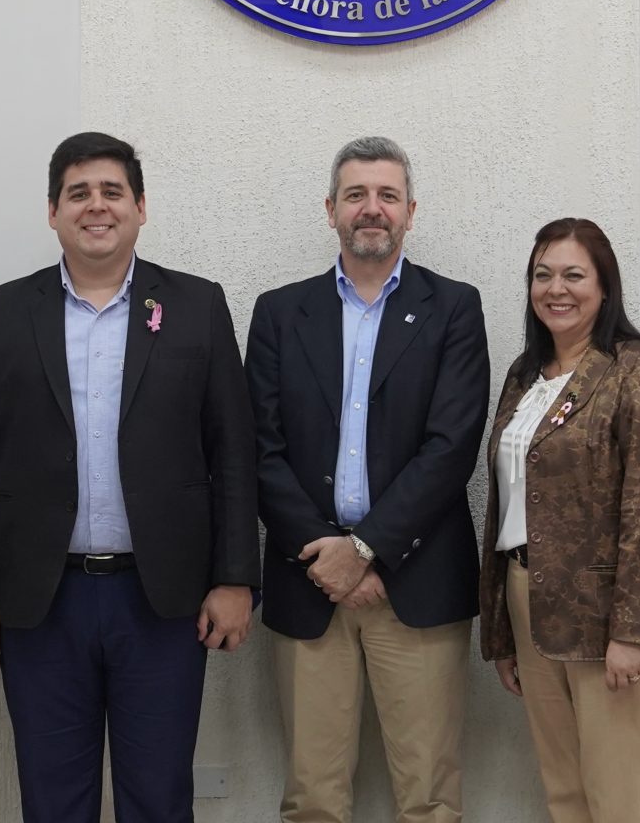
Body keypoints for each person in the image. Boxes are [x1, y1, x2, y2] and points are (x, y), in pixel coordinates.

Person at [0, 132, 259, 823]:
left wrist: (235, 577)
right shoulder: (2, 312)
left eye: (112, 191)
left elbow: (233, 453)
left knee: (159, 797)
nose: (96, 206)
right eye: (78, 193)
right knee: (53, 800)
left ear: (140, 207)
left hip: (162, 600)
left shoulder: (197, 306)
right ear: (52, 211)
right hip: (41, 600)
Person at [248, 136, 490, 823]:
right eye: (356, 195)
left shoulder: (454, 308)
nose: (372, 208)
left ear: (411, 211)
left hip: (416, 579)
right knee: (313, 798)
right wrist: (327, 556)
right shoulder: (279, 313)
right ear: (331, 210)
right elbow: (260, 449)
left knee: (429, 796)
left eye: (388, 195)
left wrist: (365, 550)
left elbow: (451, 447)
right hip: (309, 580)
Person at [479, 219, 640, 823]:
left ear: (604, 285)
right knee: (564, 792)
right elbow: (507, 505)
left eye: (574, 274)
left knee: (620, 799)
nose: (556, 289)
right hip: (528, 598)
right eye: (542, 275)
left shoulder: (638, 365)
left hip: (608, 614)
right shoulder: (525, 374)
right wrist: (501, 631)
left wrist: (632, 631)